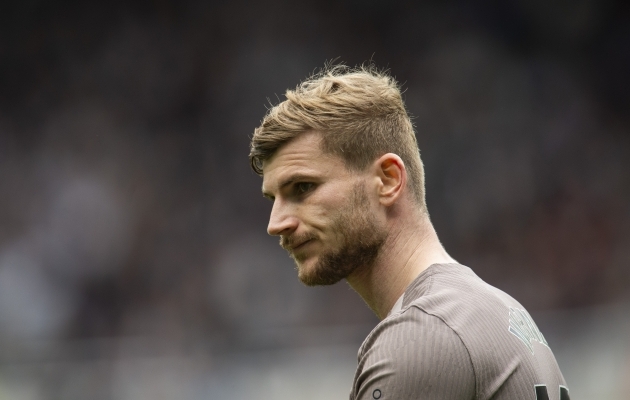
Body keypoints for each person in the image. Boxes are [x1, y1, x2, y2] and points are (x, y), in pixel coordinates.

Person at [249, 64, 570, 400]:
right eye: (274, 199)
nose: (276, 223)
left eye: (303, 187)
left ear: (388, 180)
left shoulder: (424, 335)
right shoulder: (495, 309)